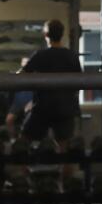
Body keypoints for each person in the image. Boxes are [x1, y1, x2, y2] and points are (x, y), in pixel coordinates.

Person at [14, 19, 83, 151]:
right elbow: (79, 82)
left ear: (46, 35)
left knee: (22, 144)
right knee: (65, 149)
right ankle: (66, 171)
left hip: (43, 108)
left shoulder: (40, 55)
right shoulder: (71, 56)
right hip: (65, 108)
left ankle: (21, 171)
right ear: (62, 34)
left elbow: (20, 76)